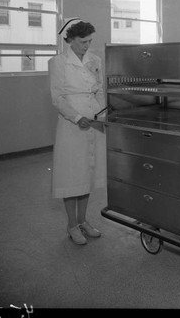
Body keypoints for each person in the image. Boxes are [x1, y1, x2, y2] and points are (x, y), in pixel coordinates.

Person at [48, 18, 107, 245]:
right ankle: (71, 225)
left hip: (94, 122)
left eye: (90, 41)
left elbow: (99, 91)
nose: (87, 45)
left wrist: (101, 116)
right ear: (70, 40)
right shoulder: (58, 62)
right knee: (71, 175)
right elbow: (58, 98)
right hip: (71, 125)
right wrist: (76, 117)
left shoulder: (95, 60)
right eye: (83, 41)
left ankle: (83, 220)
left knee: (87, 175)